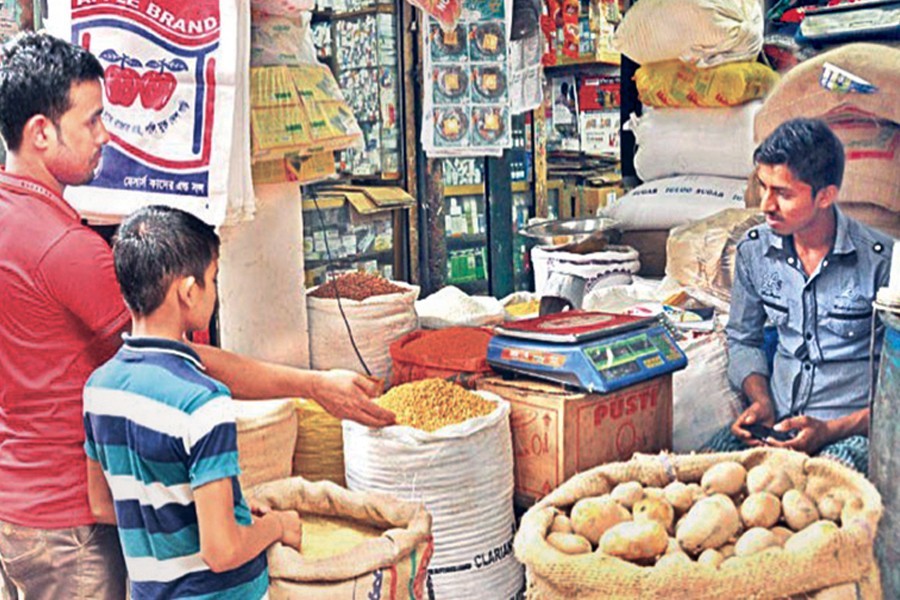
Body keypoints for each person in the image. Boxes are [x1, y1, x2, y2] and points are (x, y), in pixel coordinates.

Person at [0, 32, 393, 599]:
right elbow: (174, 356)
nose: (104, 135)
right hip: (70, 524)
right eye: (92, 120)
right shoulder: (64, 248)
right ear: (41, 132)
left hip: (21, 504)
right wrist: (313, 385)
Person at [85, 205, 302, 599]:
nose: (214, 292)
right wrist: (277, 526)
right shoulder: (204, 402)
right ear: (188, 291)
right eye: (213, 279)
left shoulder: (99, 389)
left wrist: (213, 516)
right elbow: (222, 551)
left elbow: (102, 505)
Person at [704, 117, 894, 474]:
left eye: (784, 194)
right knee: (701, 471)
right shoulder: (754, 252)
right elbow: (743, 339)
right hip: (775, 426)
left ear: (825, 196)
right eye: (763, 187)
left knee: (821, 487)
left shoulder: (884, 262)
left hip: (850, 434)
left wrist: (831, 430)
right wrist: (760, 401)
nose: (766, 205)